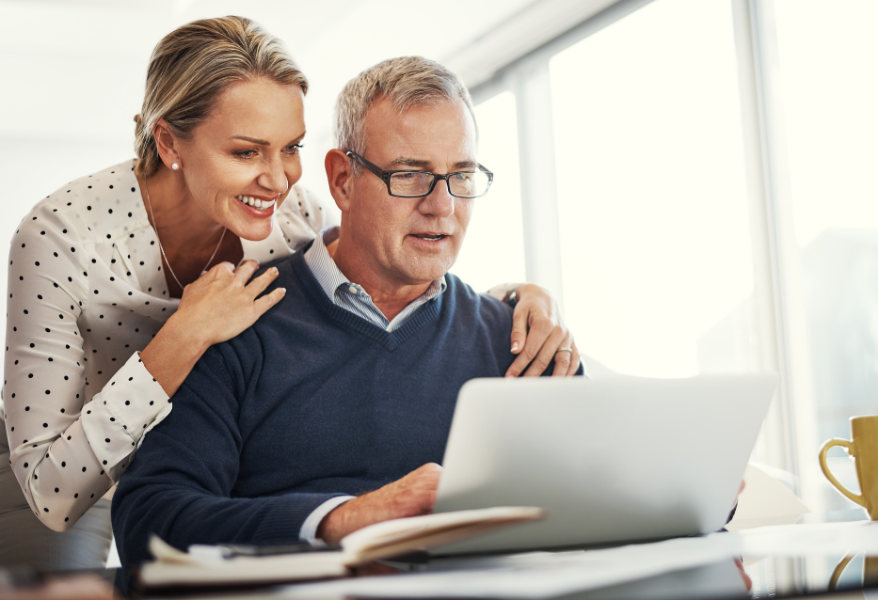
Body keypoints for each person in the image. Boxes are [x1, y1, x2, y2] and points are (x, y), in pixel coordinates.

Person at [0, 17, 578, 571]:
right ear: (169, 143)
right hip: (59, 467)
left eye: (291, 148)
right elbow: (62, 495)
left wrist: (511, 303)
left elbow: (375, 259)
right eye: (247, 151)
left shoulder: (289, 211)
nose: (277, 179)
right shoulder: (62, 238)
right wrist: (188, 333)